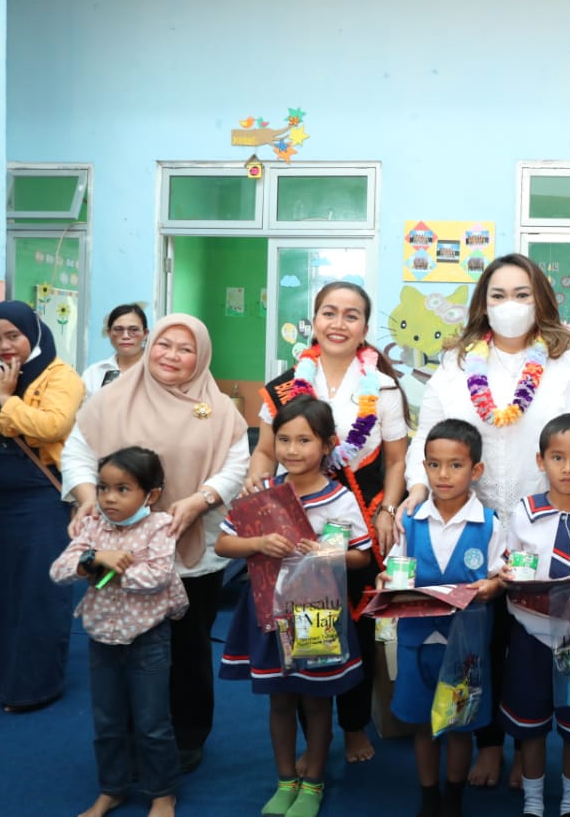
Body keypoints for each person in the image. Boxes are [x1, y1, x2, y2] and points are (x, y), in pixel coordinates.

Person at [400, 253, 570, 788]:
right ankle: (489, 743)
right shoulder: (456, 362)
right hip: (466, 519)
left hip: (542, 524)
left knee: (528, 641)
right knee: (475, 634)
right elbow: (426, 433)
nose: (510, 306)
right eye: (498, 295)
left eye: (522, 294)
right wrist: (416, 490)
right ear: (483, 304)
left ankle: (525, 747)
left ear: (541, 301)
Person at [64, 313, 248, 772]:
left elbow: (235, 464)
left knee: (187, 648)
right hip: (121, 550)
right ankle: (127, 731)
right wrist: (88, 498)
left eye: (186, 349)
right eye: (165, 344)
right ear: (150, 346)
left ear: (201, 356)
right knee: (123, 642)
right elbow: (78, 451)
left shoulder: (218, 408)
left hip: (192, 551)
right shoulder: (111, 398)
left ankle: (187, 736)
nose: (173, 356)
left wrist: (200, 500)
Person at [247, 281, 409, 766]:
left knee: (355, 628)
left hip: (358, 527)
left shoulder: (382, 386)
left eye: (352, 315)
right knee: (303, 628)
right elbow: (262, 451)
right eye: (329, 313)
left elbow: (398, 461)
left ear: (365, 327)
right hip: (296, 526)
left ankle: (355, 725)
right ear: (313, 320)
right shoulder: (283, 386)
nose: (339, 323)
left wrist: (387, 510)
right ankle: (310, 735)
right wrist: (257, 490)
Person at [218, 396, 374, 817]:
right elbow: (223, 542)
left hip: (316, 614)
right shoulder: (263, 492)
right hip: (267, 610)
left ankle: (313, 785)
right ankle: (286, 780)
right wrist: (257, 543)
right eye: (283, 439)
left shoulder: (339, 499)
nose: (291, 449)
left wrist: (327, 552)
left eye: (304, 440)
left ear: (327, 445)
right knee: (280, 700)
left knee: (317, 701)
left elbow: (361, 555)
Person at [0, 300, 84, 710]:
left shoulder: (61, 377)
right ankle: (8, 679)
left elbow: (52, 426)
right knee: (5, 589)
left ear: (34, 332)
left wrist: (8, 398)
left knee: (40, 590)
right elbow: (0, 437)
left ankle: (37, 685)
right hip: (2, 497)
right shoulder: (1, 379)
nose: (4, 346)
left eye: (13, 335)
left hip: (43, 498)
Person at [49, 446, 186, 817]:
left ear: (151, 495)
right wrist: (94, 559)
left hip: (148, 640)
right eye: (104, 487)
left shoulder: (160, 525)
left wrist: (116, 568)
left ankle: (162, 793)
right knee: (107, 722)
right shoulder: (93, 525)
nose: (109, 497)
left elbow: (155, 577)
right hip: (102, 641)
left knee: (153, 723)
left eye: (123, 489)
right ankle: (113, 788)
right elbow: (59, 571)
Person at [498, 413, 570, 817]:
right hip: (532, 632)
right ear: (540, 460)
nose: (568, 468)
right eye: (557, 458)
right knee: (530, 724)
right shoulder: (524, 512)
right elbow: (510, 562)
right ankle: (533, 801)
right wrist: (509, 574)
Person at [388, 419, 506, 817]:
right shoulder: (409, 521)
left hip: (466, 646)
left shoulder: (489, 525)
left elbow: (498, 576)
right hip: (416, 642)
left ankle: (453, 796)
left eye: (455, 465)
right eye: (434, 465)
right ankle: (428, 795)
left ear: (476, 471)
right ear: (423, 467)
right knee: (423, 725)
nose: (443, 474)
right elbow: (390, 572)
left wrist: (492, 588)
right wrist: (384, 580)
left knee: (460, 724)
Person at [80, 303, 149, 398]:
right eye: (118, 329)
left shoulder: (158, 370)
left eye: (133, 330)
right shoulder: (94, 373)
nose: (125, 336)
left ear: (145, 333)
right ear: (109, 333)